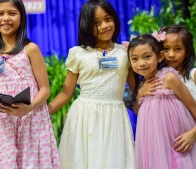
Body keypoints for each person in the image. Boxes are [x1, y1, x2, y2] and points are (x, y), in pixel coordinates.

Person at [0, 0, 60, 168]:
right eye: (0, 14)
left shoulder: (31, 49)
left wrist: (30, 107)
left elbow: (45, 89)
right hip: (1, 121)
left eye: (12, 13)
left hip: (30, 119)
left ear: (21, 17)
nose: (6, 18)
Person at [48, 0, 135, 168]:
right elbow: (66, 93)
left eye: (108, 19)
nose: (104, 26)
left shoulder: (125, 52)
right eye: (97, 23)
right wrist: (44, 111)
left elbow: (135, 89)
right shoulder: (78, 53)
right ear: (87, 25)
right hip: (84, 117)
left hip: (115, 117)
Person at [128, 34, 196, 169]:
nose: (141, 63)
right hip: (153, 143)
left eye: (147, 57)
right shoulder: (141, 85)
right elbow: (137, 110)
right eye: (134, 59)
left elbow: (194, 108)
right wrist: (140, 95)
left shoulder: (169, 78)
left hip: (175, 139)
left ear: (160, 57)